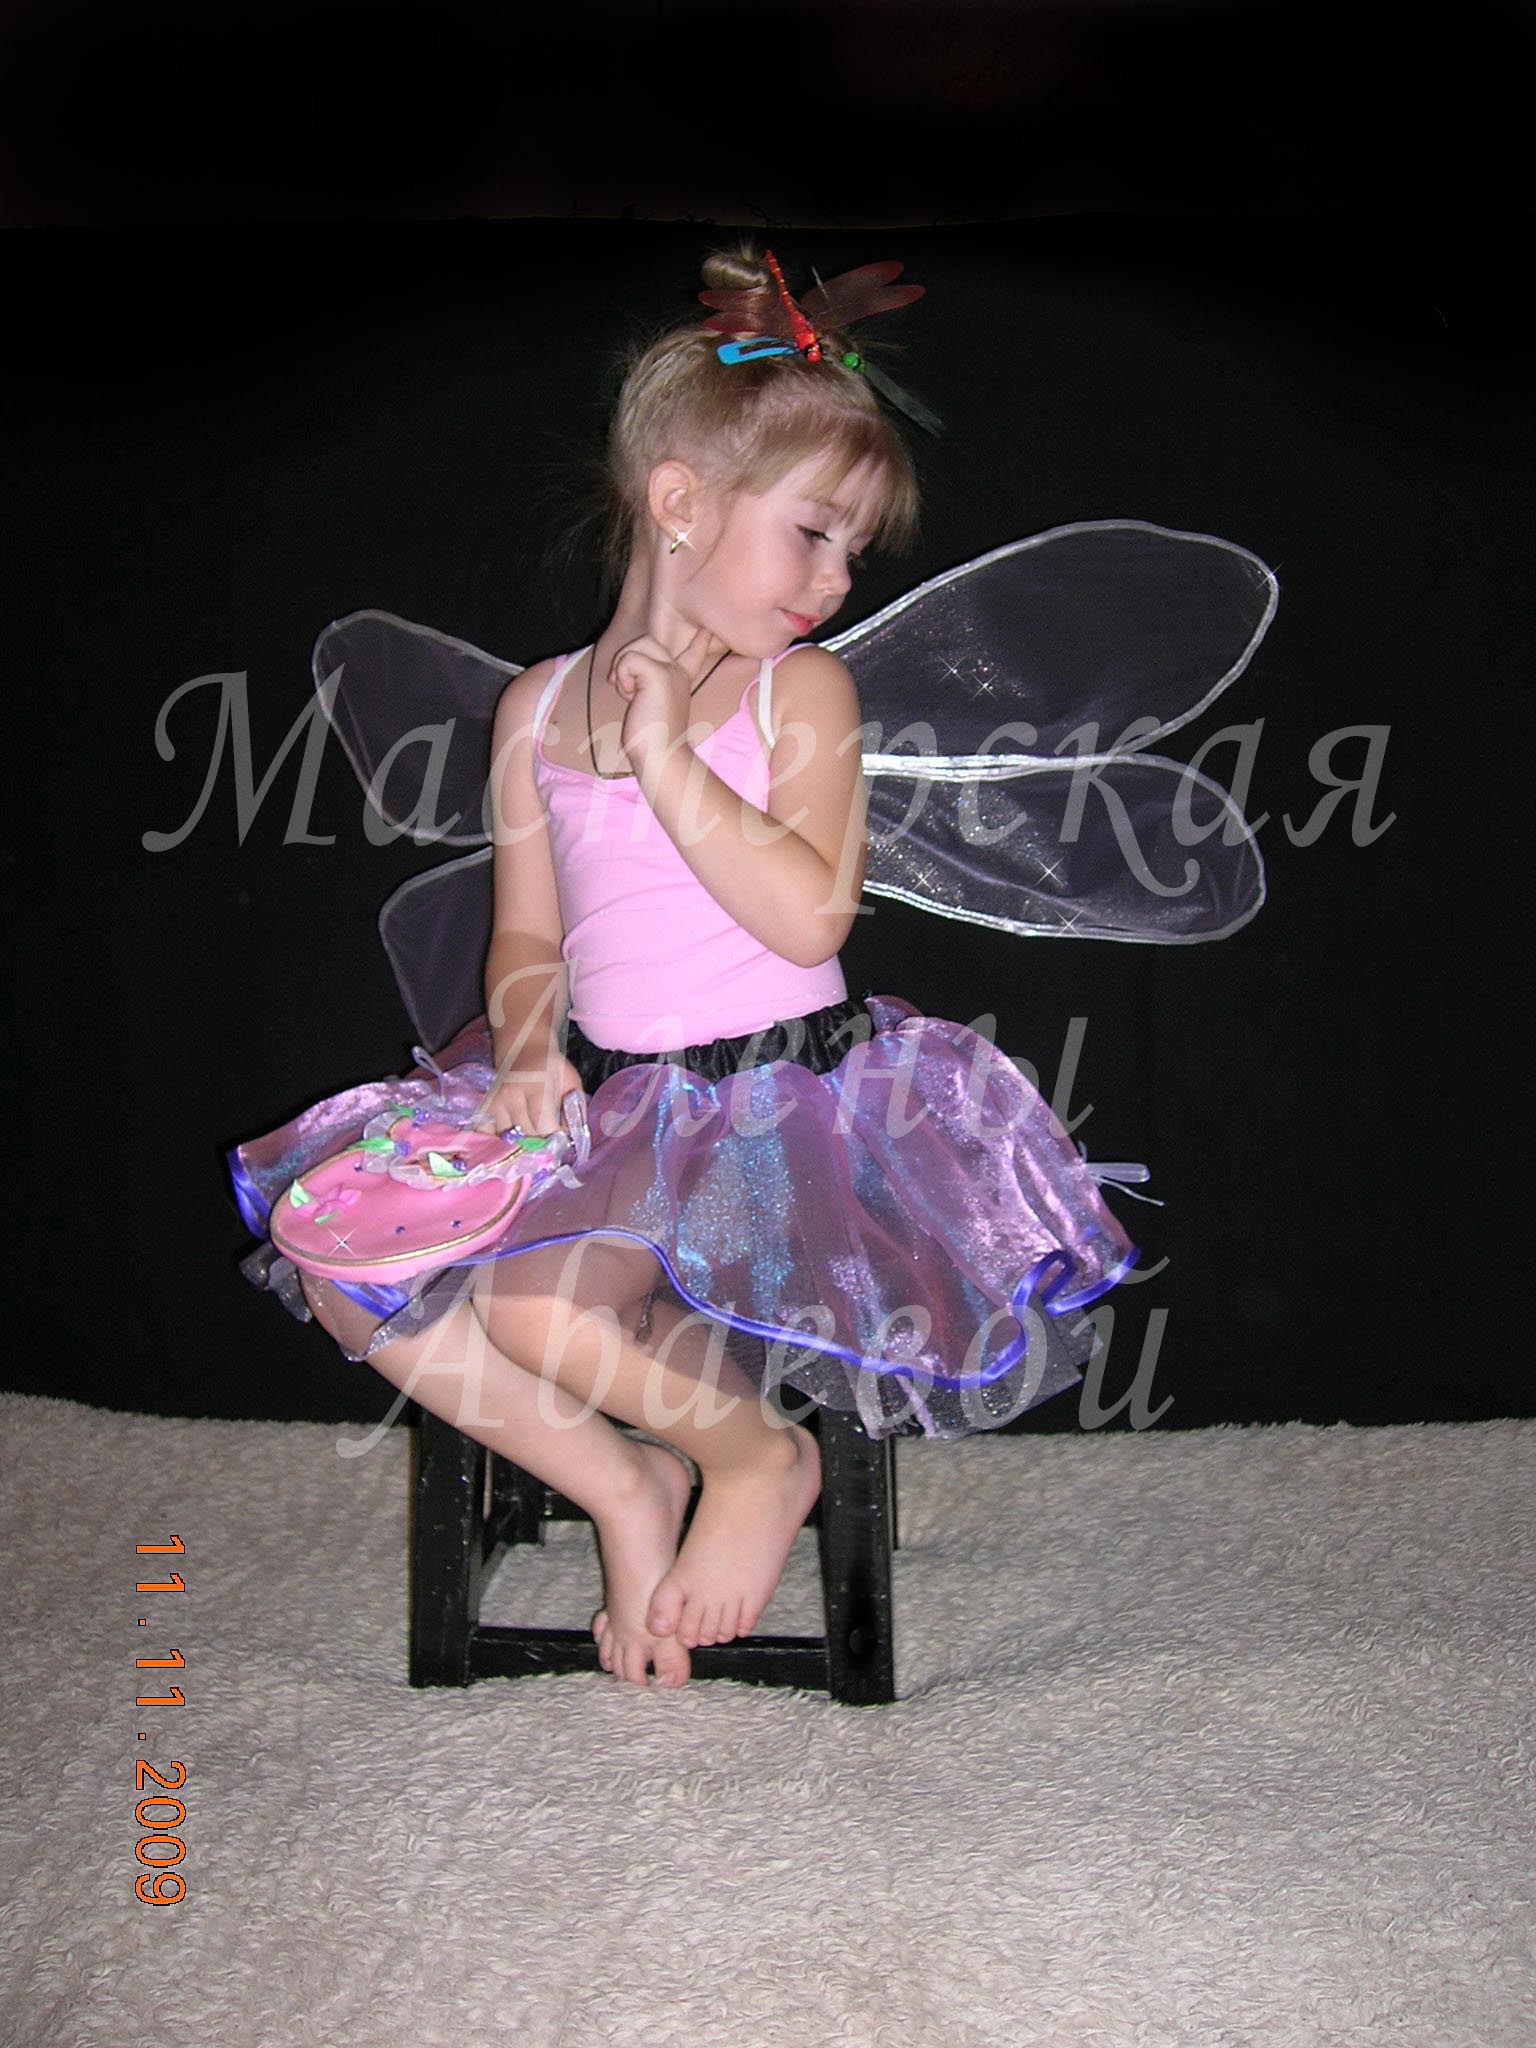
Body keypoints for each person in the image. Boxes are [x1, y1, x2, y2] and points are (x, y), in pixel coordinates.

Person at [230, 245, 1139, 1690]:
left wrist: (666, 757)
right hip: (607, 1090)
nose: (834, 582)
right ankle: (623, 1485)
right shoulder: (536, 709)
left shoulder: (801, 691)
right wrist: (529, 1047)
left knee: (533, 1304)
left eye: (852, 553)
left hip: (778, 1108)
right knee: (340, 1259)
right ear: (680, 503)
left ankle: (754, 1457)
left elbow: (808, 919)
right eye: (813, 535)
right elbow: (528, 933)